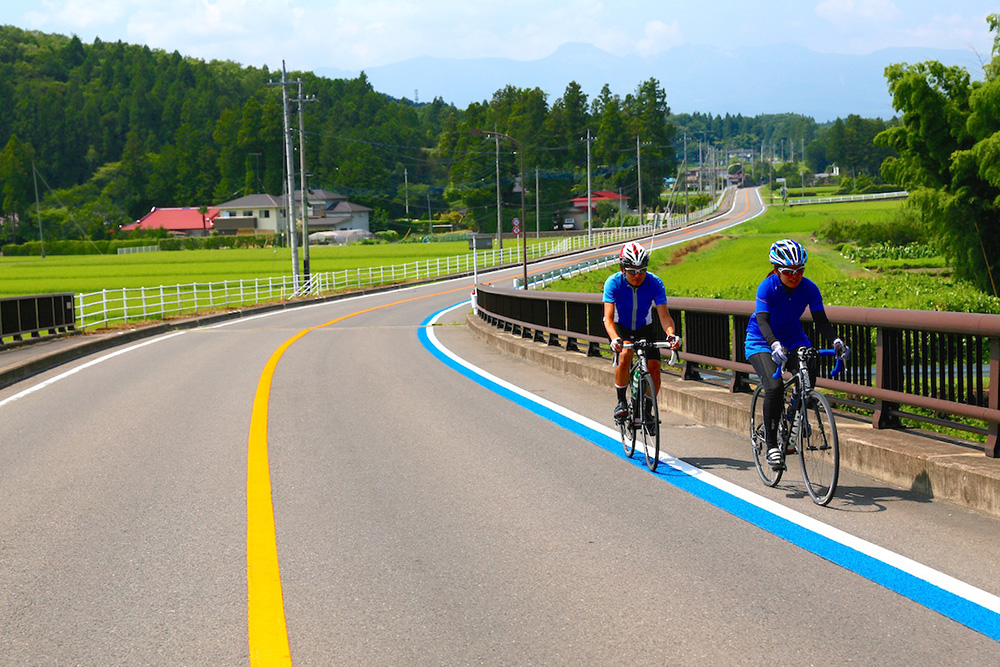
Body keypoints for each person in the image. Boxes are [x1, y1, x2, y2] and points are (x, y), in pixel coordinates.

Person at [745, 239, 849, 470]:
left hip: (793, 338)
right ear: (776, 270)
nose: (795, 275)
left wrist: (836, 340)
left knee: (808, 374)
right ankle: (772, 445)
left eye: (799, 270)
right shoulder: (767, 287)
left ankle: (795, 419)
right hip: (762, 340)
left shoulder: (809, 288)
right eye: (789, 271)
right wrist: (773, 344)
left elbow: (821, 320)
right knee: (774, 388)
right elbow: (762, 320)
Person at [603, 241, 680, 422]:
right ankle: (621, 402)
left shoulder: (654, 282)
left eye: (642, 270)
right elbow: (608, 317)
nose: (637, 276)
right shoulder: (613, 283)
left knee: (654, 367)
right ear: (623, 269)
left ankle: (646, 411)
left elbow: (664, 316)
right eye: (632, 271)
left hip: (644, 328)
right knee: (626, 353)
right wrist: (615, 339)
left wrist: (670, 335)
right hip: (621, 327)